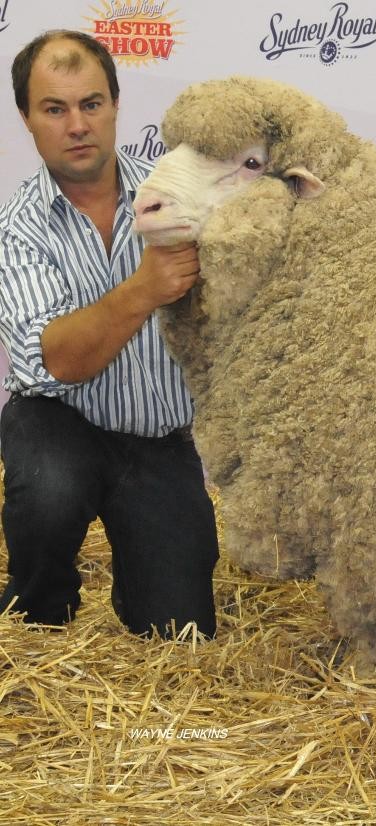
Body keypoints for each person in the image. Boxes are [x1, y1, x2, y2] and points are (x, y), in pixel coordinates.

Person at [0, 30, 218, 638]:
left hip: (160, 440)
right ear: (27, 119)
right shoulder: (16, 229)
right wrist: (145, 287)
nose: (77, 125)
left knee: (183, 632)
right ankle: (39, 613)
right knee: (47, 490)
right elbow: (57, 360)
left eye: (91, 104)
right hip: (60, 421)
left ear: (117, 106)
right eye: (54, 108)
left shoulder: (182, 199)